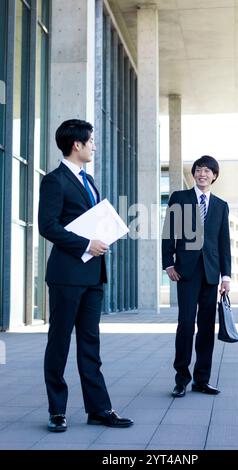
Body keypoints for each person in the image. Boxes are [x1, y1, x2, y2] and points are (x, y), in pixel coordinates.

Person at [38, 119, 133, 431]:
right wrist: (86, 243)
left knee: (91, 343)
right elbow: (47, 226)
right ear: (76, 144)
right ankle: (57, 411)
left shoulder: (89, 181)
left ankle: (99, 409)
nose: (94, 145)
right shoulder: (55, 181)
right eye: (91, 141)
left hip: (93, 275)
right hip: (67, 275)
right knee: (60, 342)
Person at [162, 155, 231, 398]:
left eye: (207, 171)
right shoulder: (180, 198)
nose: (202, 174)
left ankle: (202, 380)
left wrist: (227, 276)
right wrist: (167, 263)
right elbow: (169, 232)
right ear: (194, 174)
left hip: (211, 274)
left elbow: (224, 244)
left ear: (214, 175)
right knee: (185, 324)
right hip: (186, 272)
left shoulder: (222, 206)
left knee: (205, 327)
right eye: (199, 170)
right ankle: (181, 379)